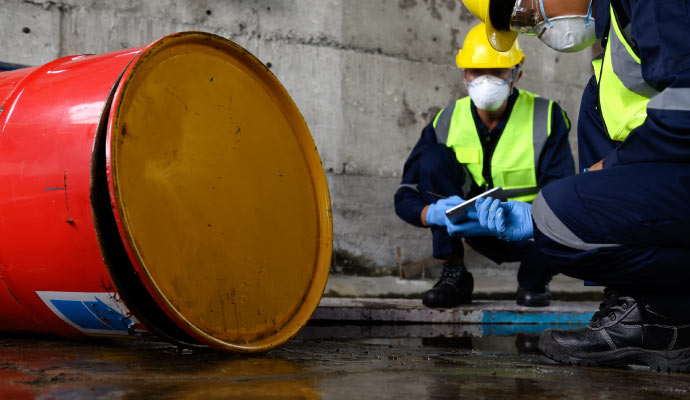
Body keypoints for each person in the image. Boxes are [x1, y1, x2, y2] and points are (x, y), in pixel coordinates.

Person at [461, 0, 690, 372]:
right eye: (523, 25)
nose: (535, 26)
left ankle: (666, 314)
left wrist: (606, 172)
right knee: (594, 111)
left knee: (558, 212)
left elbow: (687, 101)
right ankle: (644, 311)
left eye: (523, 13)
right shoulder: (613, 43)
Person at [394, 22, 575, 309]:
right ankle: (454, 272)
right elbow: (405, 194)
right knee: (433, 158)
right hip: (469, 226)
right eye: (477, 71)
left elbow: (564, 195)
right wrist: (432, 214)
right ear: (465, 76)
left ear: (516, 74)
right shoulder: (446, 121)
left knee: (559, 211)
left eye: (498, 72)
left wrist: (533, 217)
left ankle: (534, 280)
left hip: (526, 230)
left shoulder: (546, 116)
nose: (486, 80)